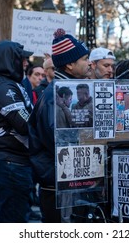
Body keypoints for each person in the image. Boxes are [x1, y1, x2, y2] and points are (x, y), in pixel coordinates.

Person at [29, 28, 91, 222]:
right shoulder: (53, 96)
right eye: (84, 59)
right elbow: (57, 139)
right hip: (57, 182)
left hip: (64, 178)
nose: (89, 63)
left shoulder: (60, 91)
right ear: (70, 65)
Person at [0, 40, 35, 223]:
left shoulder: (11, 83)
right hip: (9, 165)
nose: (27, 63)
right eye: (22, 59)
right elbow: (25, 124)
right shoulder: (4, 87)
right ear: (9, 60)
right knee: (13, 220)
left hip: (13, 163)